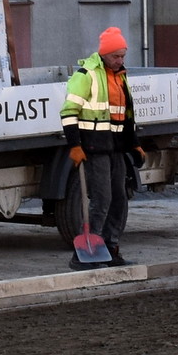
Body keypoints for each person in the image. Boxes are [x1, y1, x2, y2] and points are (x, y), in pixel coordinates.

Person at [60, 26, 139, 267]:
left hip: (115, 148)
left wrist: (134, 144)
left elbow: (125, 114)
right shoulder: (87, 75)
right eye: (116, 56)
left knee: (119, 199)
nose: (120, 60)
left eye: (123, 55)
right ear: (104, 54)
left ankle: (111, 248)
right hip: (94, 147)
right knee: (101, 199)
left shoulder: (120, 76)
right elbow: (69, 111)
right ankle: (83, 254)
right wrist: (74, 145)